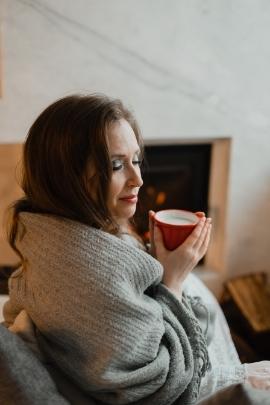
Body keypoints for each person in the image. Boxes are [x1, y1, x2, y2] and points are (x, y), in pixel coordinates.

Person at [2, 94, 270, 404]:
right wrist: (174, 281)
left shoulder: (46, 236)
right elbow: (161, 387)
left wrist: (158, 263)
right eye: (116, 166)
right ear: (67, 177)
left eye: (137, 160)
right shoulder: (91, 274)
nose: (138, 179)